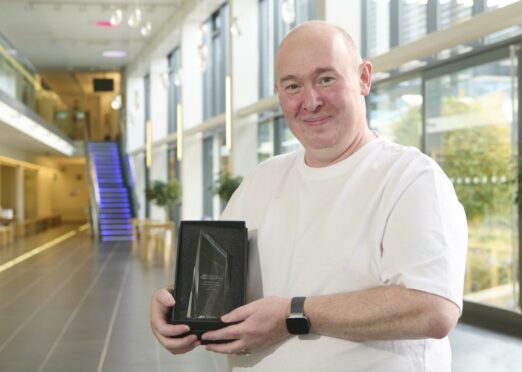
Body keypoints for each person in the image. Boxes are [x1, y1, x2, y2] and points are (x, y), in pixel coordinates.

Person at [150, 20, 467, 371]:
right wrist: (178, 305)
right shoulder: (261, 180)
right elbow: (220, 280)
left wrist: (293, 314)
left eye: (326, 79)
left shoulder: (410, 178)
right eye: (293, 86)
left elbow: (433, 309)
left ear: (363, 78)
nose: (310, 101)